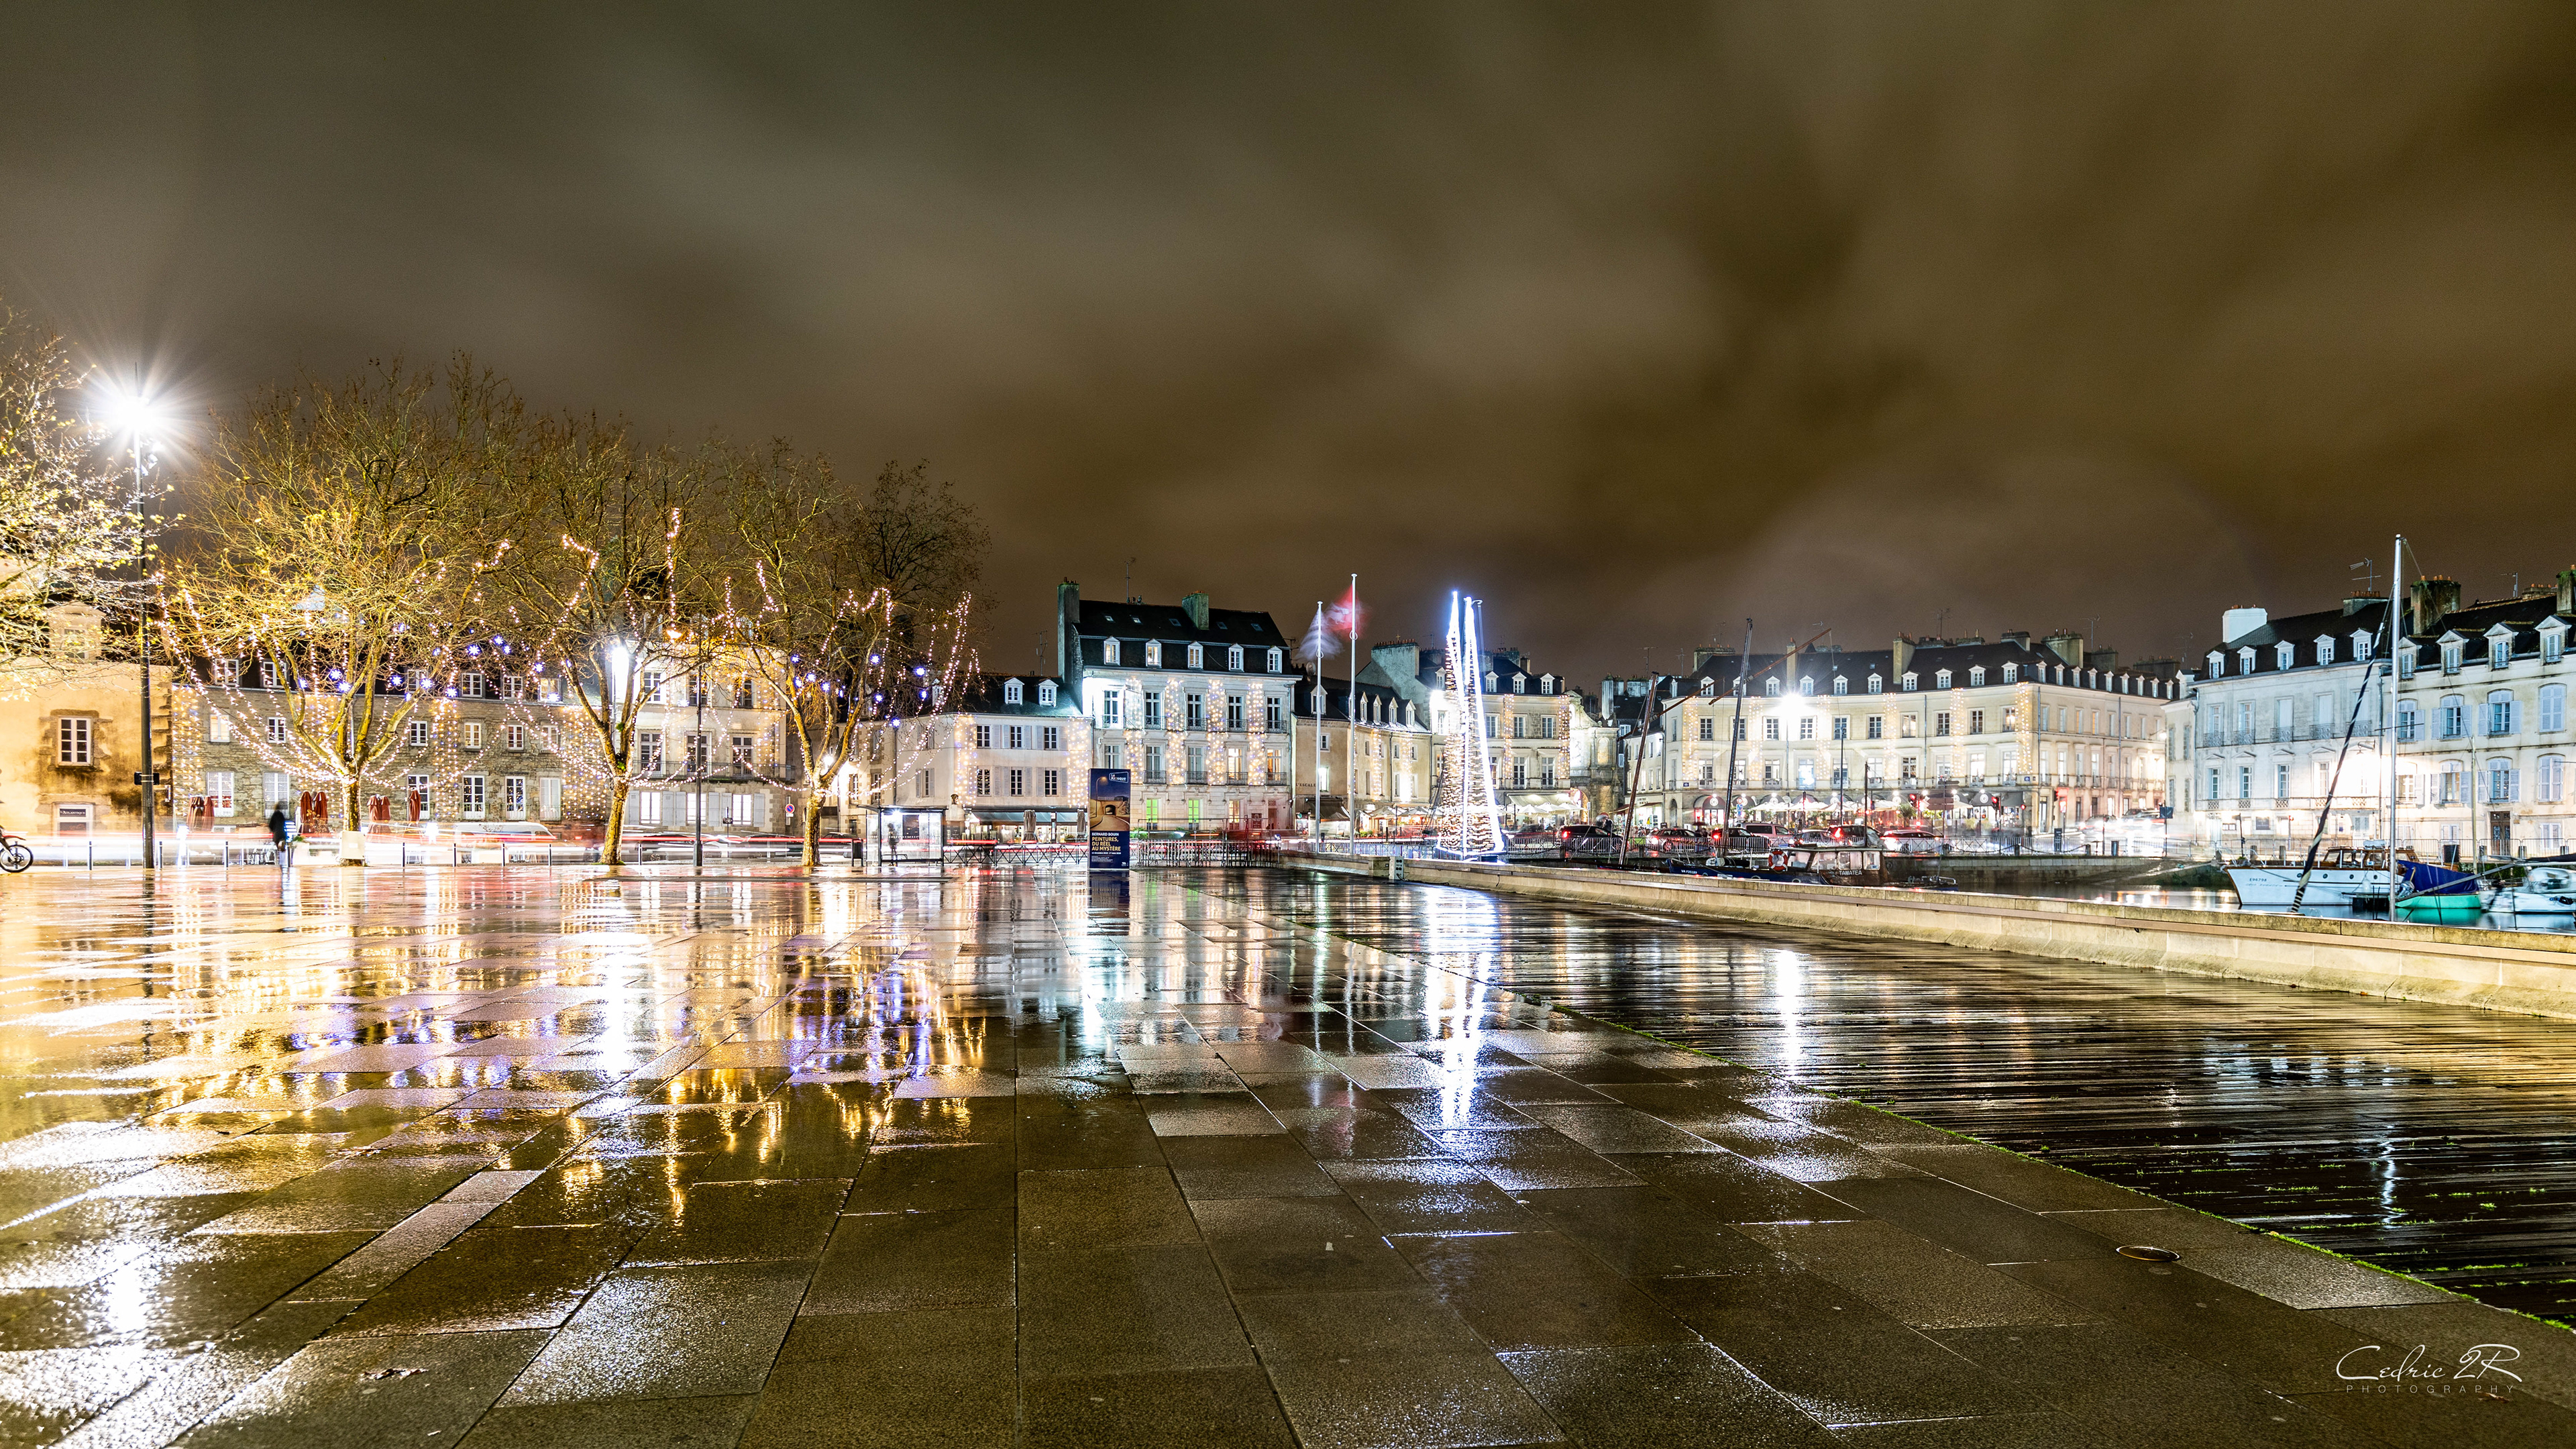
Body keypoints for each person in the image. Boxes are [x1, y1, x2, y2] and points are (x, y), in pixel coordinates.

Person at [267, 804, 293, 871]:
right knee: (283, 848)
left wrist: (273, 830)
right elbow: (284, 823)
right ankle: (284, 861)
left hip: (277, 834)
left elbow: (270, 825)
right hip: (282, 833)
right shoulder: (281, 815)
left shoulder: (274, 815)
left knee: (277, 849)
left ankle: (279, 861)